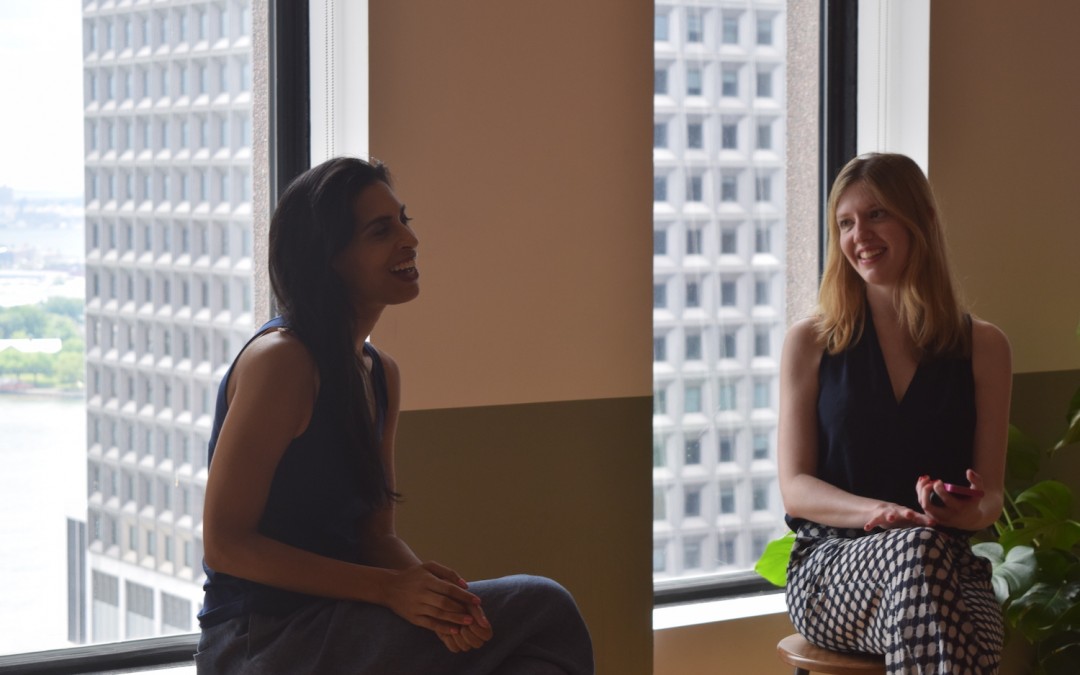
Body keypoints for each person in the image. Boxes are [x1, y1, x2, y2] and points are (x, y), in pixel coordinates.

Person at [195, 157, 594, 674]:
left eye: (404, 220)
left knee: (517, 652)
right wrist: (389, 589)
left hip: (342, 620)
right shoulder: (283, 362)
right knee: (545, 607)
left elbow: (376, 537)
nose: (410, 239)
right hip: (260, 641)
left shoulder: (381, 373)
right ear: (329, 258)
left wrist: (440, 605)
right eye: (381, 231)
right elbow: (225, 545)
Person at [778, 153, 1011, 674]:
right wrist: (879, 512)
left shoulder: (986, 347)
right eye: (845, 223)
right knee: (923, 562)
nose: (859, 235)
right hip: (832, 571)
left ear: (921, 219)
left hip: (950, 571)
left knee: (929, 572)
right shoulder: (809, 342)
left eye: (877, 214)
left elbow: (991, 497)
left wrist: (966, 512)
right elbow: (795, 488)